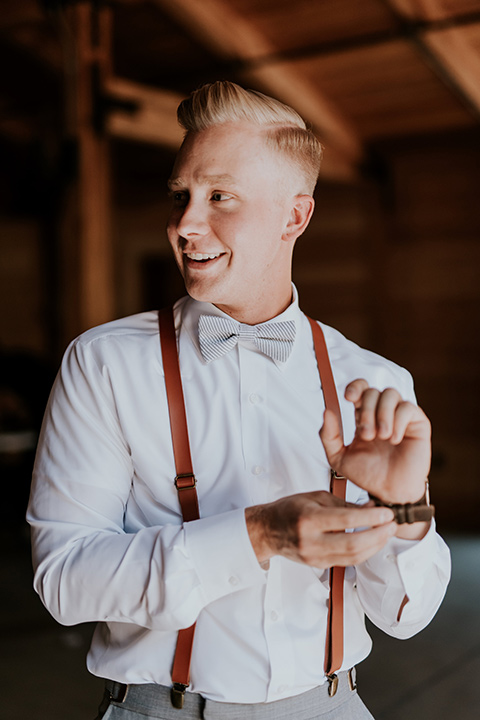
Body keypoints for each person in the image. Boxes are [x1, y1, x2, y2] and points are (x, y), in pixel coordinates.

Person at [27, 81, 450, 720]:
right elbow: (64, 581)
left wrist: (403, 507)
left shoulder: (373, 378)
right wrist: (260, 534)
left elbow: (407, 617)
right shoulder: (103, 362)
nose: (184, 225)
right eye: (181, 196)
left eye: (219, 196)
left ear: (295, 217)